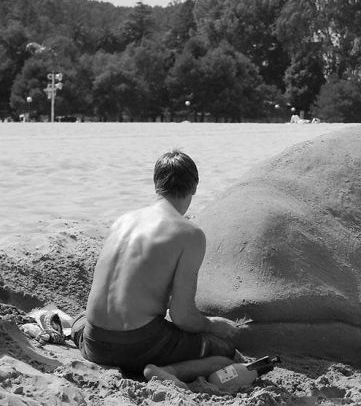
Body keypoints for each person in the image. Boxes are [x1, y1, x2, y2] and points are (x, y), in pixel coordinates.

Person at [74, 150, 245, 388]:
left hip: (94, 342)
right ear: (194, 188)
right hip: (139, 344)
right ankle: (165, 370)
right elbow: (182, 316)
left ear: (156, 185)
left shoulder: (121, 220)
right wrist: (214, 325)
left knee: (80, 320)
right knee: (223, 351)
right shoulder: (190, 234)